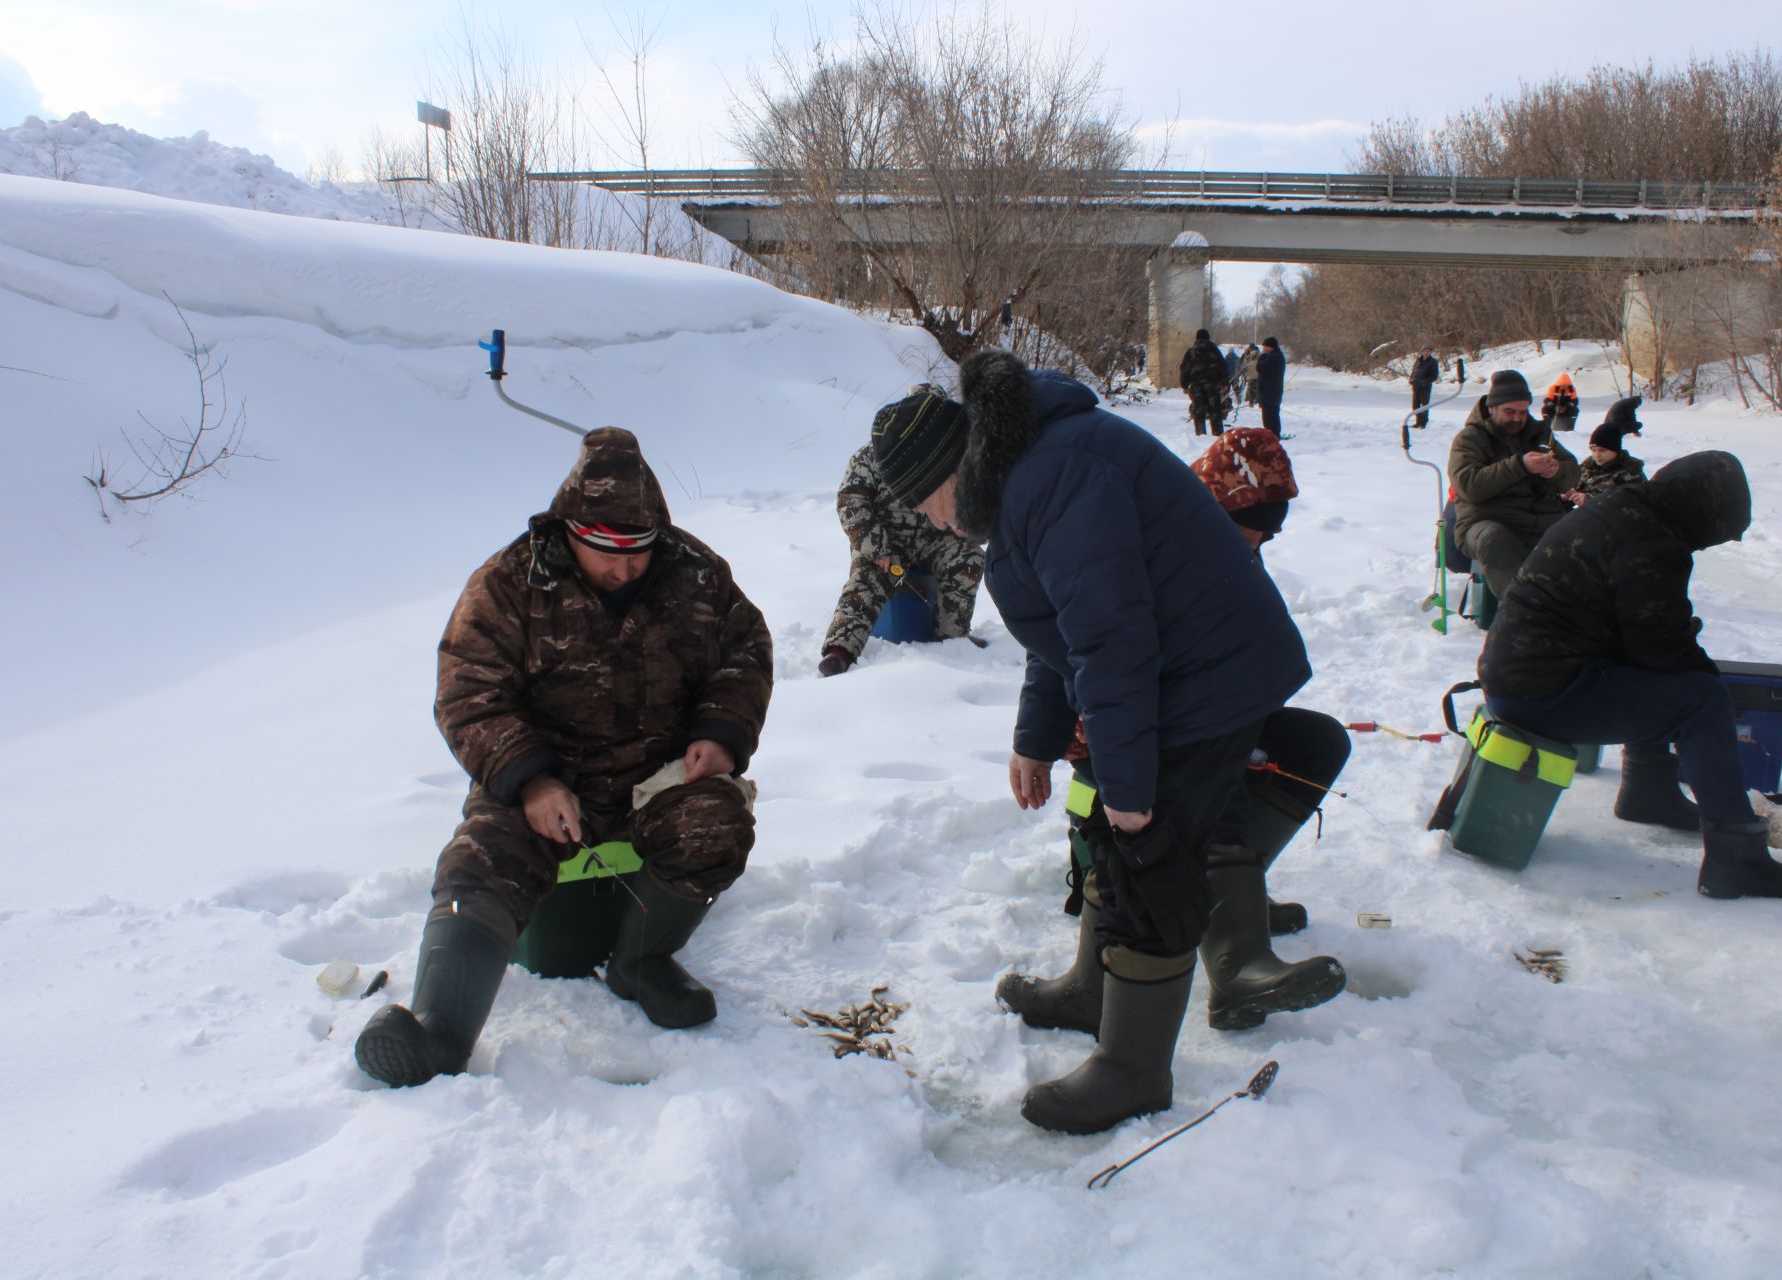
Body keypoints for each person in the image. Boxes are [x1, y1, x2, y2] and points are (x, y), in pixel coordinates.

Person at [875, 350, 1344, 1135]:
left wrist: (1131, 795)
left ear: (952, 467)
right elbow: (1063, 632)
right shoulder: (1028, 472)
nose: (927, 521)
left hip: (1207, 678)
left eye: (923, 501)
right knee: (1108, 831)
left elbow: (1111, 644)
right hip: (1182, 668)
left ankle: (1133, 1070)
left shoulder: (1052, 478)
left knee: (1147, 852)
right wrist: (1037, 737)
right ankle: (1095, 992)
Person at [354, 428, 774, 1088]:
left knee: (717, 822)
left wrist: (721, 732)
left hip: (655, 780)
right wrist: (530, 777)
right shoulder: (507, 583)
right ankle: (438, 1033)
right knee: (480, 861)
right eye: (606, 551)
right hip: (545, 785)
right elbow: (466, 688)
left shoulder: (695, 572)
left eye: (639, 552)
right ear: (569, 527)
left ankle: (641, 961)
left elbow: (744, 653)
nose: (624, 568)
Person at [1478, 451, 1782, 900]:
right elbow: (1661, 649)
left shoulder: (1626, 509)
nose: (1711, 544)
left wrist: (1677, 637)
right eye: (1717, 533)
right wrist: (1707, 675)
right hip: (1543, 693)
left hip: (1522, 677)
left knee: (1664, 674)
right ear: (1702, 513)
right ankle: (1737, 859)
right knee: (1701, 697)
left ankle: (1648, 792)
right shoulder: (1651, 542)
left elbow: (1641, 631)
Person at [817, 397, 987, 677]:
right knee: (864, 582)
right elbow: (851, 501)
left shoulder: (947, 459)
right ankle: (840, 649)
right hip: (886, 543)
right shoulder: (869, 457)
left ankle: (951, 638)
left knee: (968, 558)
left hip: (933, 540)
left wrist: (963, 526)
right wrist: (877, 547)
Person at [1447, 369, 1582, 600]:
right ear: (1492, 408)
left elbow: (1573, 474)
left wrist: (1557, 470)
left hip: (1542, 521)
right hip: (1485, 522)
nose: (1518, 418)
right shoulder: (1470, 438)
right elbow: (1468, 485)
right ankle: (1521, 612)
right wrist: (1520, 465)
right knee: (1494, 539)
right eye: (1510, 411)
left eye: (1523, 411)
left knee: (1588, 534)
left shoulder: (1539, 433)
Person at [1567, 396, 1648, 504]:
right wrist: (1567, 495)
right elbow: (1573, 487)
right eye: (1593, 450)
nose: (1597, 455)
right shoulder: (1587, 467)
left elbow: (1631, 505)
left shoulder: (1631, 472)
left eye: (1602, 450)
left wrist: (1591, 501)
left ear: (1615, 450)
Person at [1177, 328, 1232, 436]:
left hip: (1196, 386)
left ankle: (1201, 434)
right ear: (1208, 338)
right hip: (1213, 385)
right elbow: (1223, 367)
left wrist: (1184, 385)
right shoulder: (1215, 351)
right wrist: (1225, 383)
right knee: (1215, 411)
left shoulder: (1191, 352)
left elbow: (1185, 368)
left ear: (1197, 338)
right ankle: (1218, 436)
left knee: (1199, 411)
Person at [1256, 336, 1287, 437]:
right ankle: (1273, 434)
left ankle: (1272, 435)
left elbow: (1260, 367)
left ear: (1270, 347)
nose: (1263, 349)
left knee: (1269, 416)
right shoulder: (1276, 355)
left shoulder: (1274, 357)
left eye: (1265, 347)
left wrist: (1261, 357)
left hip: (1270, 391)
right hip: (1272, 391)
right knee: (1272, 414)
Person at [1408, 347, 1441, 428]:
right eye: (1425, 351)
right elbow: (1414, 371)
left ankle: (1423, 423)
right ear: (1422, 352)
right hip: (1416, 386)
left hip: (1425, 387)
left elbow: (1434, 376)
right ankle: (1417, 422)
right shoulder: (1418, 360)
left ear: (1430, 352)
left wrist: (1424, 382)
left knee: (1425, 406)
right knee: (1415, 406)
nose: (1426, 353)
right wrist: (1411, 379)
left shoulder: (1433, 362)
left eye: (1428, 351)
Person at [1238, 342, 1261, 408]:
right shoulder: (1260, 354)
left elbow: (1242, 362)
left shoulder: (1248, 354)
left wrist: (1242, 372)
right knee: (1256, 388)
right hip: (1258, 374)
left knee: (1249, 387)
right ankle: (1256, 401)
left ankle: (1250, 401)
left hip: (1249, 373)